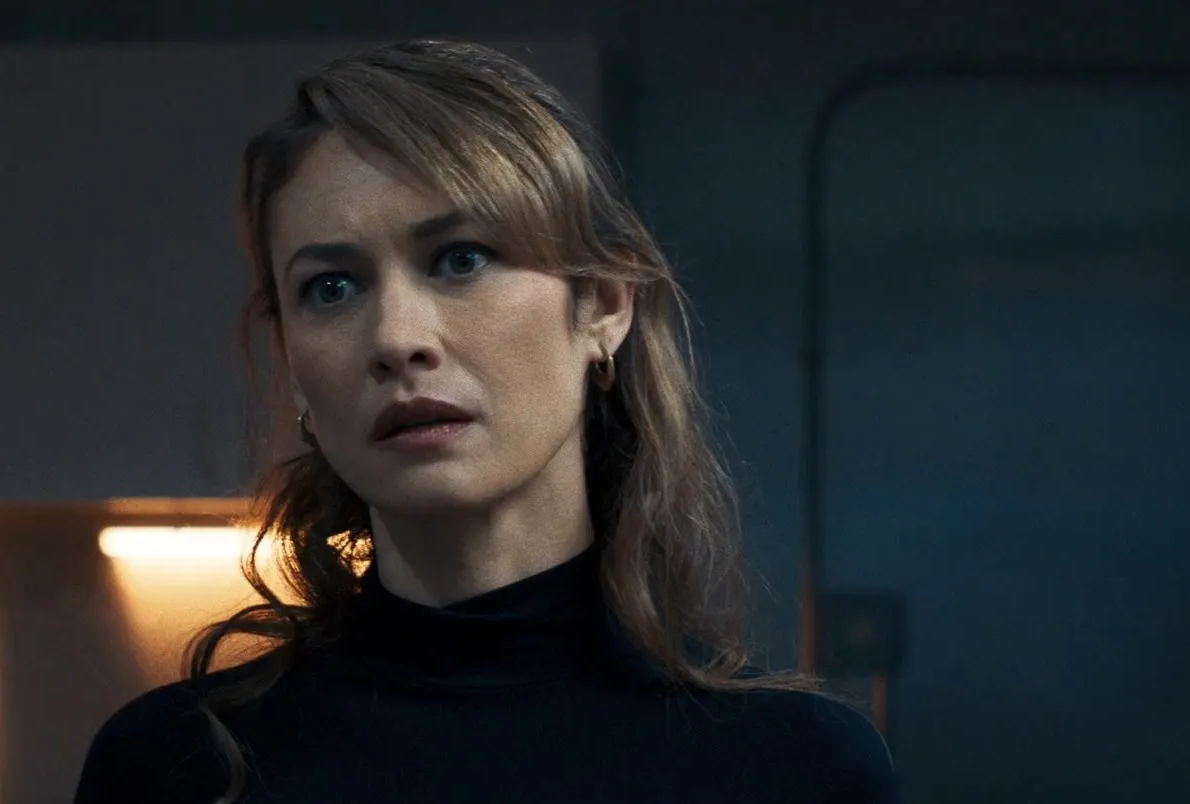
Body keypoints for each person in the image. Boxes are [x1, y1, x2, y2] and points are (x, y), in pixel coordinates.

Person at [73, 39, 896, 804]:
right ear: (291, 363)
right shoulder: (173, 765)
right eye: (332, 287)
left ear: (604, 306)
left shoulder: (796, 768)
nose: (397, 339)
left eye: (461, 259)